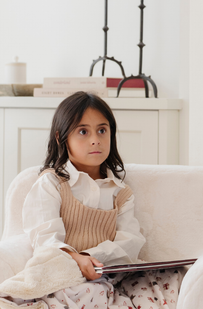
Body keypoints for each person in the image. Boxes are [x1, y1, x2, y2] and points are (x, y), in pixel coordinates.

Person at [23, 91, 146, 281]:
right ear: (60, 138)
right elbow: (44, 238)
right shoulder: (52, 184)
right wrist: (75, 259)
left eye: (102, 130)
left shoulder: (120, 192)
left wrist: (90, 258)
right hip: (63, 274)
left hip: (108, 276)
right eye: (83, 131)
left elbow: (130, 242)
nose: (95, 139)